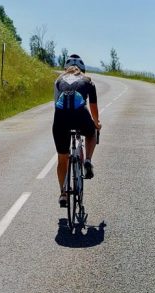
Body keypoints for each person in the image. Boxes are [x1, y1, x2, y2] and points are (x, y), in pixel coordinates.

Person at [53, 54, 100, 208]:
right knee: (91, 133)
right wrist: (97, 123)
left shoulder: (58, 80)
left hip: (61, 119)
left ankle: (63, 194)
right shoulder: (88, 81)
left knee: (62, 158)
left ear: (66, 69)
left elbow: (56, 104)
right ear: (83, 70)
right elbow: (93, 108)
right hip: (80, 115)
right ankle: (87, 160)